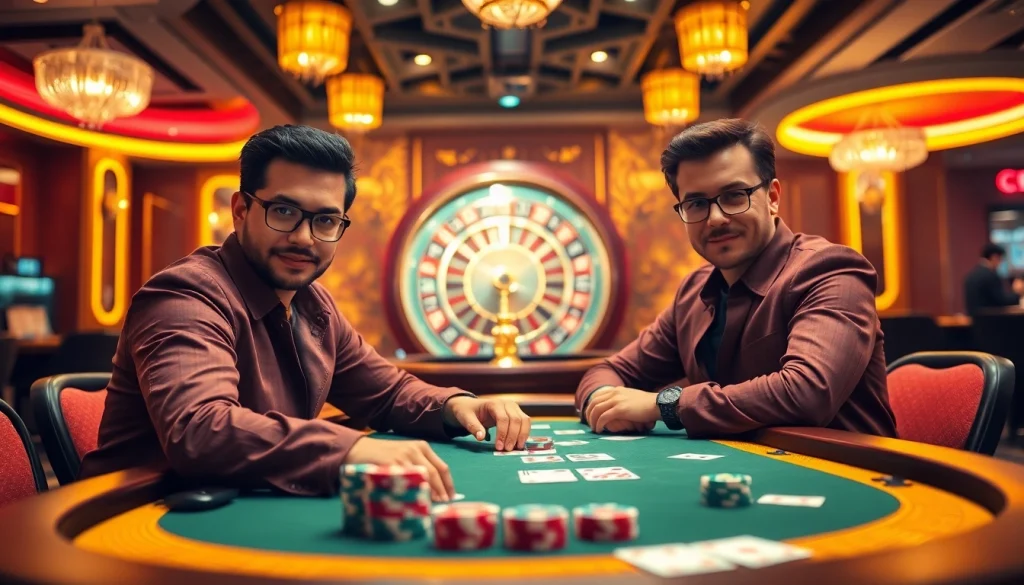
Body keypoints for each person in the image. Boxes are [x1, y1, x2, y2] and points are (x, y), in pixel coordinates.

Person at [79, 125, 532, 501]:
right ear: (240, 210)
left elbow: (387, 393)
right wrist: (351, 449)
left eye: (326, 220)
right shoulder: (185, 296)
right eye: (284, 211)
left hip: (238, 507)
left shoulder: (314, 305)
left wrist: (459, 405)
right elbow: (201, 431)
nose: (304, 237)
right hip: (135, 521)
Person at [577, 119, 897, 439]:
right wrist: (603, 403)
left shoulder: (830, 271)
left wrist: (664, 405)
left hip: (850, 475)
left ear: (772, 197)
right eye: (697, 203)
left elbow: (807, 392)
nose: (716, 219)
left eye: (734, 196)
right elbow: (610, 371)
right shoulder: (692, 293)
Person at [963, 243, 1024, 315]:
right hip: (991, 321)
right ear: (994, 257)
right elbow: (1001, 301)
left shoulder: (971, 276)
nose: (1000, 263)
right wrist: (1018, 292)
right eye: (1001, 259)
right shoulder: (990, 276)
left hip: (974, 322)